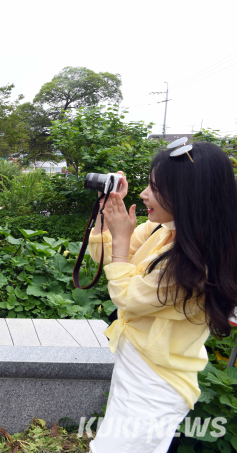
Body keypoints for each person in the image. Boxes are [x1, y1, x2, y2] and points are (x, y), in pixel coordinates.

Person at [87, 142, 237, 452]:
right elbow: (110, 259)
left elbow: (127, 297)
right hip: (137, 364)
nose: (142, 194)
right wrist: (105, 215)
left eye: (155, 188)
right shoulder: (162, 229)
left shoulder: (192, 263)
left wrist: (122, 237)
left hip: (157, 382)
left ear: (187, 195)